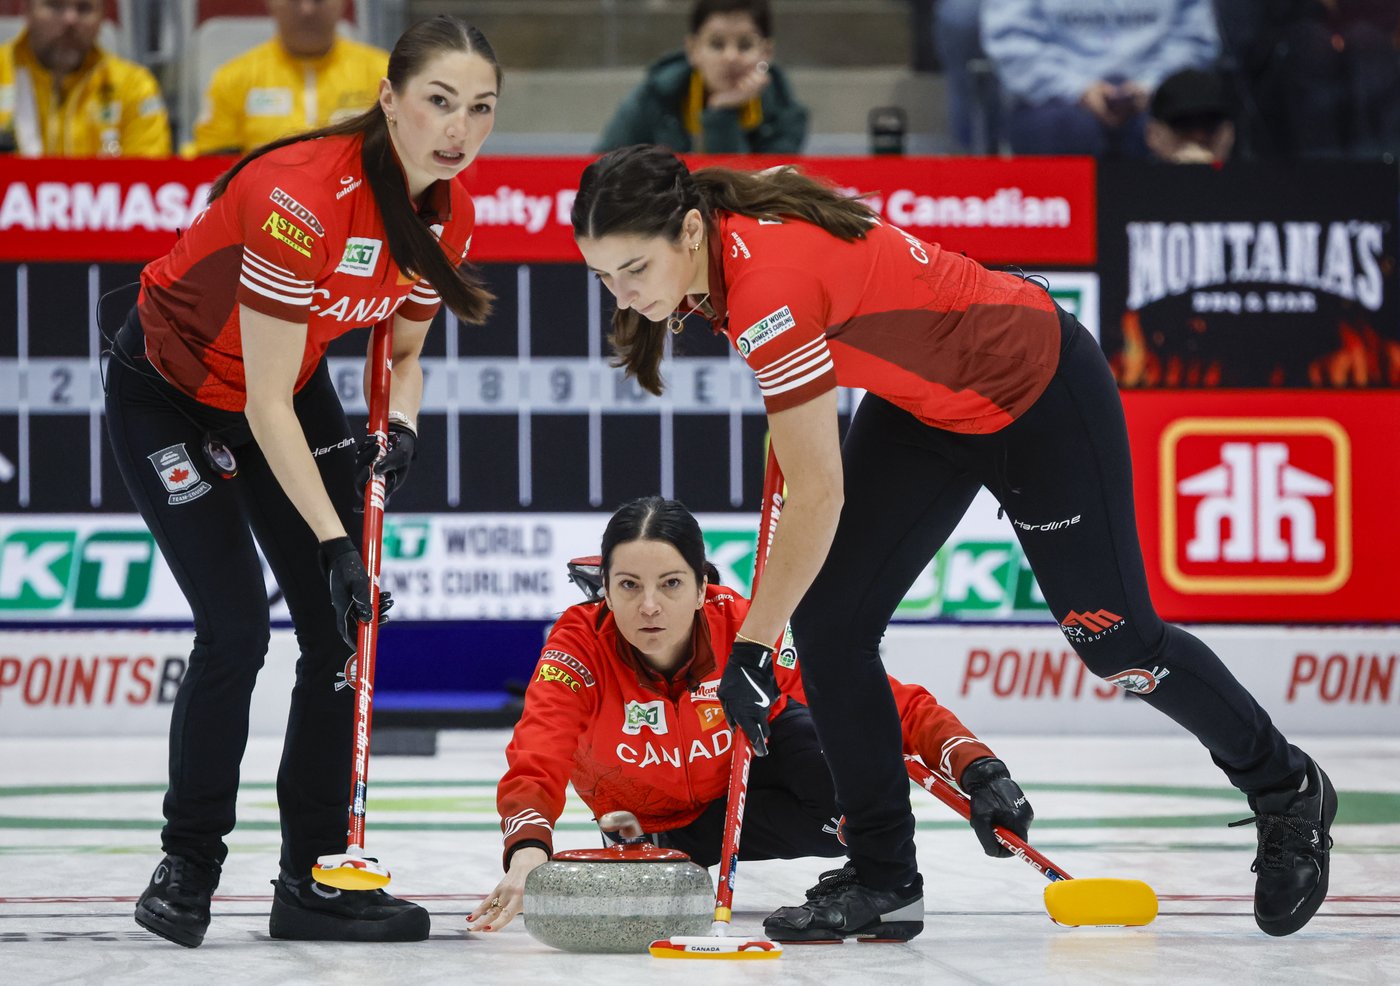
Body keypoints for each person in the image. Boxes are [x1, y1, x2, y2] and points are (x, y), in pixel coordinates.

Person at [569, 145, 1337, 941]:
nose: (621, 294)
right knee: (831, 625)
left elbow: (818, 496)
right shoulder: (719, 236)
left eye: (632, 269)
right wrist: (773, 637)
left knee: (1119, 644)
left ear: (691, 229)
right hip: (926, 409)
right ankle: (884, 877)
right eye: (603, 277)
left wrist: (752, 649)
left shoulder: (770, 289)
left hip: (1037, 395)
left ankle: (1286, 790)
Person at [103, 15, 499, 947]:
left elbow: (403, 350)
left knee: (337, 635)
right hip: (172, 393)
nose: (460, 129)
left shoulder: (452, 208)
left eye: (481, 109)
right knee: (237, 627)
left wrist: (402, 427)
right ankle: (189, 861)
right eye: (439, 102)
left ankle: (314, 877)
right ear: (388, 99)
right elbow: (269, 402)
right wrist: (334, 546)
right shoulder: (302, 197)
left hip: (278, 388)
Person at [468, 496, 1033, 938]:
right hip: (653, 827)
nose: (648, 607)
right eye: (628, 587)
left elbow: (872, 698)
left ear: (700, 588)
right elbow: (538, 748)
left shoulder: (742, 626)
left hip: (749, 773)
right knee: (666, 859)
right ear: (606, 595)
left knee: (837, 758)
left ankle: (869, 874)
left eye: (670, 585)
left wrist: (976, 766)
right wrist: (527, 853)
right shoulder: (578, 644)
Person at [981, 0, 1219, 159]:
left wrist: (1151, 84)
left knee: (1183, 124)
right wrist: (1078, 89)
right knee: (1064, 129)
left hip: (1158, 91)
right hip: (1055, 97)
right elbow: (1012, 39)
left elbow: (1194, 38)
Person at [595, 0, 807, 154]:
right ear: (693, 49)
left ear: (766, 52)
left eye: (745, 45)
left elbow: (742, 196)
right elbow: (599, 172)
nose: (730, 57)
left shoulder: (785, 113)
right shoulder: (655, 96)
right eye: (716, 44)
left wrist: (723, 112)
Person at [185, 0, 388, 156]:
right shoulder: (233, 78)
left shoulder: (385, 74)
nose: (307, 10)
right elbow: (212, 166)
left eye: (318, 0)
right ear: (272, 3)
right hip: (262, 204)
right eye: (294, 0)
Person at [0, 0, 170, 156]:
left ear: (102, 17)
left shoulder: (133, 85)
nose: (70, 19)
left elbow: (148, 178)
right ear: (27, 10)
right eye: (55, 5)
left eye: (84, 8)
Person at [1146, 68, 1236, 164]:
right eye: (1184, 125)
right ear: (1153, 134)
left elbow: (1219, 167)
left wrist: (1213, 168)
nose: (1198, 137)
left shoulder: (1248, 177)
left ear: (1229, 134)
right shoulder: (1133, 177)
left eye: (1209, 125)